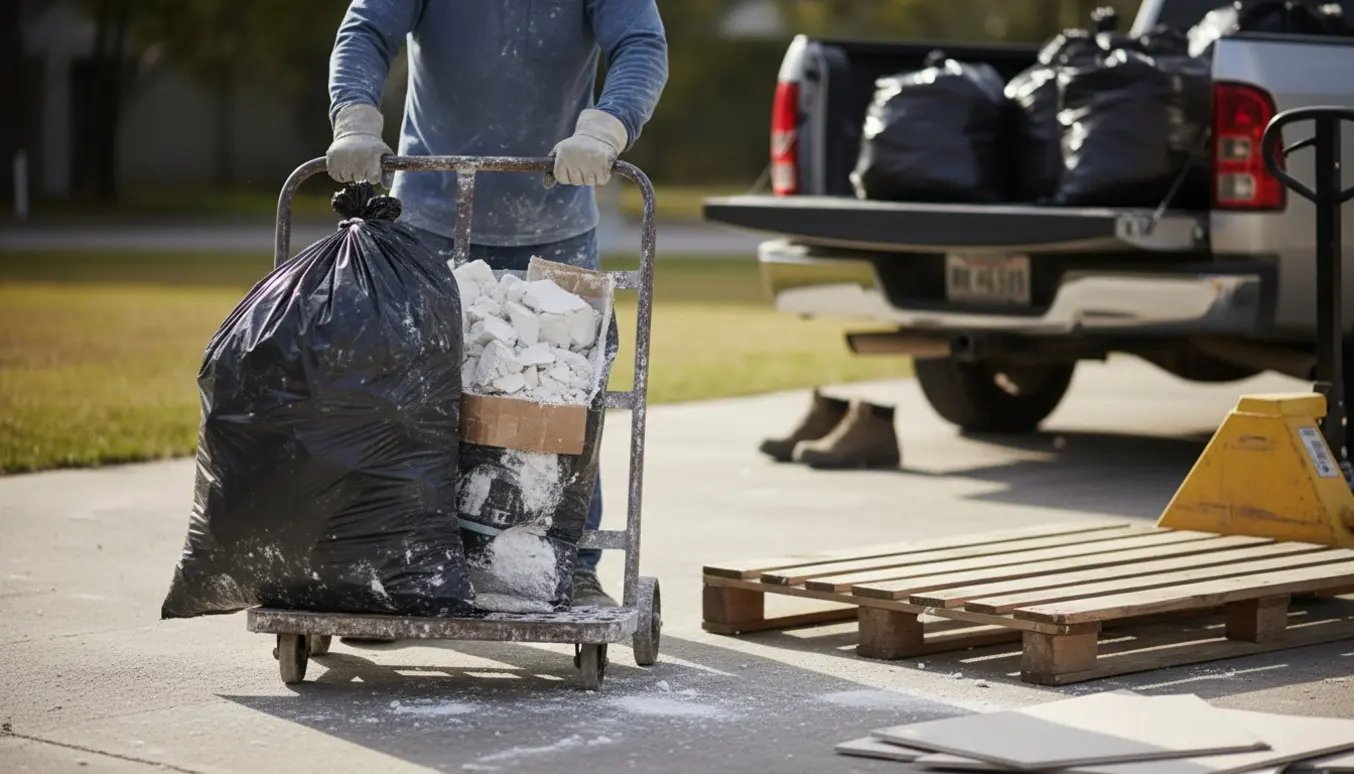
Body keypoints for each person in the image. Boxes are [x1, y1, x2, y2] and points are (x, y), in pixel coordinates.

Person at [326, 0, 668, 608]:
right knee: (405, 402)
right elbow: (368, 29)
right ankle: (395, 566)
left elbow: (641, 43)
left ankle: (573, 564)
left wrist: (606, 127)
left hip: (555, 219)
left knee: (563, 411)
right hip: (429, 213)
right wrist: (353, 118)